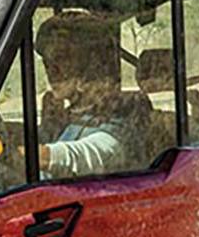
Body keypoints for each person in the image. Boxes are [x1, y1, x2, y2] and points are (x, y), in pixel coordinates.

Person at [31, 9, 149, 178]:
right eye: (47, 62)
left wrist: (8, 154)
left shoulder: (123, 113)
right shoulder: (71, 115)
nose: (51, 70)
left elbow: (90, 155)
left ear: (92, 62)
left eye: (61, 59)